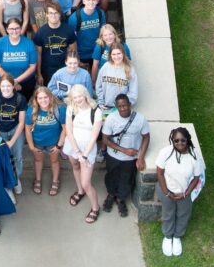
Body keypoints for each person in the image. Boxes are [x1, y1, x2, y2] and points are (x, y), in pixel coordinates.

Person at [155, 126, 205, 258]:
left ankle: (177, 237)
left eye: (183, 140)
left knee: (183, 214)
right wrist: (167, 193)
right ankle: (168, 237)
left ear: (188, 140)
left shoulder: (194, 156)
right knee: (168, 213)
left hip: (184, 193)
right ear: (172, 140)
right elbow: (159, 173)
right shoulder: (165, 152)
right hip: (166, 190)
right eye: (176, 140)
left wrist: (186, 193)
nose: (179, 143)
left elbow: (196, 177)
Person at [100, 93, 150, 218]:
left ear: (129, 104)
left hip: (130, 159)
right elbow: (105, 139)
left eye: (125, 105)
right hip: (113, 156)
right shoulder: (111, 118)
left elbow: (146, 137)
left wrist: (141, 157)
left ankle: (121, 199)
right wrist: (124, 150)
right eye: (120, 106)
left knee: (126, 179)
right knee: (111, 176)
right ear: (116, 107)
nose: (123, 108)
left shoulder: (140, 119)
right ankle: (111, 195)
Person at [62, 84, 103, 224]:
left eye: (79, 96)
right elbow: (69, 130)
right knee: (75, 166)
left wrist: (84, 155)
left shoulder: (96, 111)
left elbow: (94, 136)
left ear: (85, 95)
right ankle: (80, 191)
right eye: (74, 97)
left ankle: (95, 208)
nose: (78, 99)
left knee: (87, 183)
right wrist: (77, 152)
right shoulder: (70, 108)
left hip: (88, 149)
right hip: (73, 145)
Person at [0, 74, 28, 193]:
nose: (6, 89)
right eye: (3, 86)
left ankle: (16, 179)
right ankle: (5, 180)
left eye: (9, 86)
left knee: (17, 156)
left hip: (15, 130)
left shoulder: (20, 99)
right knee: (1, 157)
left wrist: (12, 141)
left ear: (13, 86)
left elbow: (21, 122)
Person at [34, 0, 78, 83]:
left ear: (60, 14)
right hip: (47, 71)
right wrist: (39, 74)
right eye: (50, 13)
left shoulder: (68, 30)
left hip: (65, 69)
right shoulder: (41, 32)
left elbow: (73, 52)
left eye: (56, 13)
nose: (53, 16)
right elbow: (38, 55)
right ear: (46, 15)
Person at [96, 44, 138, 109]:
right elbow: (99, 86)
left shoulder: (130, 69)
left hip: (122, 108)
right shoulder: (105, 67)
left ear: (123, 54)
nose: (116, 57)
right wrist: (101, 102)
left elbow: (133, 92)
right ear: (110, 55)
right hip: (106, 107)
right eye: (114, 54)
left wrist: (125, 105)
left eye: (119, 53)